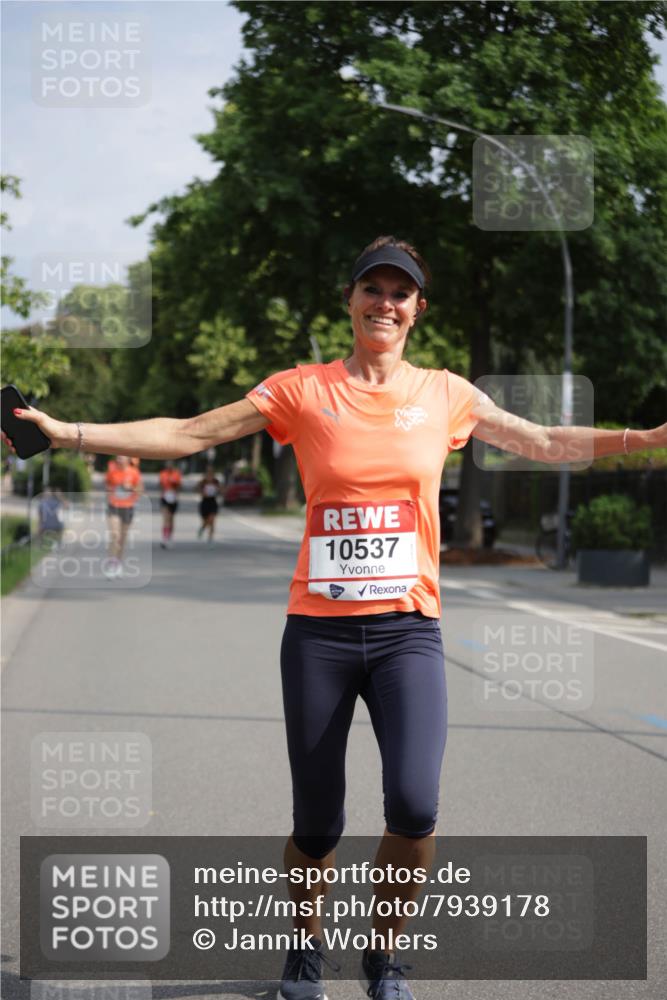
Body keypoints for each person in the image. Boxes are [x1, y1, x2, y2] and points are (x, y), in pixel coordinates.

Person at [4, 235, 666, 1000]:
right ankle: (305, 948)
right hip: (318, 635)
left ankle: (383, 956)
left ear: (418, 309)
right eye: (371, 289)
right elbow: (190, 433)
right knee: (317, 821)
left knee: (414, 806)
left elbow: (543, 440)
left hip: (406, 632)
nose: (384, 303)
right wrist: (68, 432)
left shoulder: (446, 394)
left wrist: (647, 440)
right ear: (349, 300)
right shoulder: (301, 389)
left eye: (399, 292)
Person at [104, 454, 143, 578]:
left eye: (122, 456)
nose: (119, 458)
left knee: (122, 538)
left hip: (128, 507)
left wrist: (131, 488)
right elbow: (107, 486)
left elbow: (140, 490)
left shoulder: (134, 472)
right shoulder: (112, 471)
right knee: (115, 535)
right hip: (114, 506)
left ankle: (118, 563)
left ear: (128, 459)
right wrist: (110, 496)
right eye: (118, 456)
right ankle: (112, 563)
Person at [159, 460, 182, 548]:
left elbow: (179, 486)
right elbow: (160, 485)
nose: (169, 466)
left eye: (171, 465)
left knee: (171, 519)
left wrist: (175, 486)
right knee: (166, 518)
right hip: (165, 497)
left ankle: (170, 536)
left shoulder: (177, 474)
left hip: (173, 498)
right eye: (168, 465)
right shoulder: (163, 474)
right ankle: (164, 538)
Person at [197, 464, 222, 542]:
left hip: (213, 502)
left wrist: (219, 490)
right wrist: (203, 493)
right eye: (208, 472)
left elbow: (221, 490)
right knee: (206, 522)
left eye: (211, 472)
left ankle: (210, 538)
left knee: (212, 520)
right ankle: (202, 528)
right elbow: (199, 491)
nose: (210, 473)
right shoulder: (203, 482)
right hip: (205, 502)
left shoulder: (216, 481)